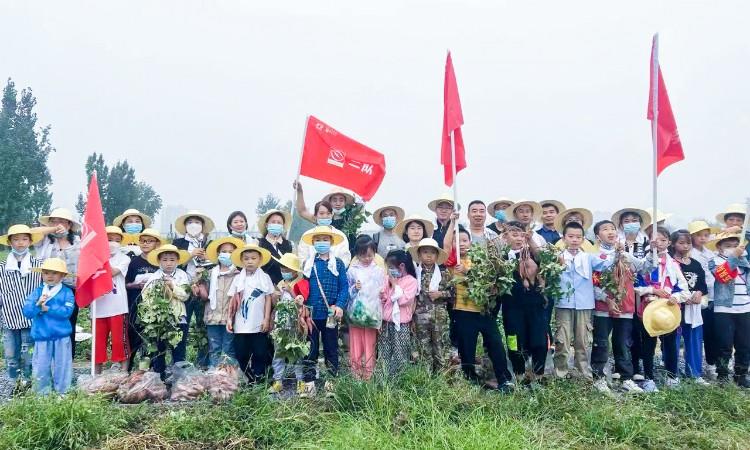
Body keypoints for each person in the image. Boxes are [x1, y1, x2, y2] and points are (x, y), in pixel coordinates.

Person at [448, 226, 513, 391]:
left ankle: (504, 379)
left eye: (464, 240)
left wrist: (469, 272)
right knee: (467, 348)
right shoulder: (451, 262)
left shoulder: (482, 260)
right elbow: (445, 244)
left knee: (496, 344)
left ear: (470, 242)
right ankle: (471, 380)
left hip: (484, 311)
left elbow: (490, 281)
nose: (461, 244)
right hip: (463, 312)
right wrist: (452, 222)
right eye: (458, 241)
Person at [553, 222, 614, 381]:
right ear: (564, 238)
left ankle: (583, 375)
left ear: (583, 239)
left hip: (585, 305)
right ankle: (561, 373)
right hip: (563, 304)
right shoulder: (557, 257)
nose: (574, 240)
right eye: (571, 236)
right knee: (562, 340)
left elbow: (607, 264)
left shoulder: (588, 258)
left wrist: (618, 252)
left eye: (578, 237)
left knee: (583, 341)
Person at [590, 220, 644, 394]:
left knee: (623, 344)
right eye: (605, 229)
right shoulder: (595, 256)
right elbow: (594, 284)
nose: (610, 232)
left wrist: (654, 252)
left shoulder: (626, 255)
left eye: (613, 229)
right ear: (598, 236)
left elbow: (644, 268)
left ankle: (626, 378)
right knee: (601, 343)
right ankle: (599, 378)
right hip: (602, 307)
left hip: (624, 307)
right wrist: (607, 299)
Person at [633, 227, 691, 387]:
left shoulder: (673, 264)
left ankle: (672, 376)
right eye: (655, 240)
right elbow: (635, 285)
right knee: (648, 344)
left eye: (663, 240)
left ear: (669, 242)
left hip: (668, 309)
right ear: (650, 241)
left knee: (671, 344)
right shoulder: (643, 262)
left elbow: (684, 290)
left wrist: (675, 297)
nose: (659, 243)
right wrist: (652, 290)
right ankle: (649, 377)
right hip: (648, 308)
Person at [299, 226, 348, 397]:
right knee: (309, 349)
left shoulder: (339, 264)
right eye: (318, 240)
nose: (322, 243)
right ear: (313, 243)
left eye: (325, 240)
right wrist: (300, 300)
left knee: (331, 348)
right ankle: (308, 384)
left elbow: (344, 287)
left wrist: (339, 305)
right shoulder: (308, 264)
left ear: (331, 242)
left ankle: (330, 383)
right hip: (311, 314)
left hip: (330, 315)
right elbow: (302, 287)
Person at [501, 222, 549, 386]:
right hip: (512, 309)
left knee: (539, 341)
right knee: (514, 341)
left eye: (521, 235)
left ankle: (539, 376)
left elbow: (547, 260)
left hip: (535, 307)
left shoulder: (533, 254)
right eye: (514, 235)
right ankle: (519, 375)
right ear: (505, 237)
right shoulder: (500, 259)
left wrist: (532, 243)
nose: (519, 238)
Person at [32, 208, 81, 359]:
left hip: (70, 290)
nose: (57, 224)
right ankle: (46, 360)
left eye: (62, 221)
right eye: (54, 221)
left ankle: (67, 361)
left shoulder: (78, 242)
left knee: (68, 324)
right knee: (46, 321)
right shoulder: (44, 241)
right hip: (48, 288)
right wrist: (53, 228)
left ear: (70, 225)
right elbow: (31, 232)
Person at [23, 258, 75, 394]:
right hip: (42, 335)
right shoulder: (37, 292)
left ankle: (63, 393)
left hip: (61, 336)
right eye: (46, 273)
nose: (50, 276)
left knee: (62, 366)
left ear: (63, 276)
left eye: (54, 273)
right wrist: (37, 305)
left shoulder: (67, 292)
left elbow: (67, 312)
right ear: (41, 275)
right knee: (41, 366)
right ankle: (41, 394)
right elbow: (27, 312)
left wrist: (48, 309)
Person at [0, 225, 43, 386]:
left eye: (24, 239)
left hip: (30, 319)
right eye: (16, 239)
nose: (20, 243)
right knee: (11, 354)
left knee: (28, 353)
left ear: (30, 241)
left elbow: (45, 290)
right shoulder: (2, 267)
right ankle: (13, 383)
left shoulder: (39, 265)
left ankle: (27, 382)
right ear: (9, 242)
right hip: (9, 318)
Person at [612, 207, 652, 382]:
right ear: (621, 224)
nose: (630, 224)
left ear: (640, 223)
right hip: (621, 291)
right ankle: (620, 366)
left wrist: (629, 258)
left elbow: (648, 267)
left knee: (639, 330)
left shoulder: (647, 242)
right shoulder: (616, 241)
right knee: (622, 330)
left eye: (634, 220)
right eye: (626, 221)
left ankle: (638, 367)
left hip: (642, 292)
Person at [172, 210, 215, 368]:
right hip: (183, 290)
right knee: (181, 326)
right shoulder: (178, 244)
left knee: (203, 327)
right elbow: (172, 263)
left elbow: (216, 265)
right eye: (190, 222)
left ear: (203, 226)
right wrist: (190, 255)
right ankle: (178, 362)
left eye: (197, 222)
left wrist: (207, 259)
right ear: (185, 226)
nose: (194, 225)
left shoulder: (209, 243)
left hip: (203, 291)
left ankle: (203, 362)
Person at [227, 244, 275, 383]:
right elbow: (232, 300)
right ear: (242, 261)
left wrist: (266, 319)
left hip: (258, 322)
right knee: (241, 352)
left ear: (259, 260)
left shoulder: (264, 277)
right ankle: (248, 377)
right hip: (241, 323)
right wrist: (230, 319)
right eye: (246, 258)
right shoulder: (238, 279)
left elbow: (268, 299)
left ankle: (259, 377)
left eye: (253, 258)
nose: (250, 261)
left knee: (260, 351)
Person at [707, 232, 750, 388]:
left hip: (745, 307)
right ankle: (723, 375)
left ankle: (741, 374)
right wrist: (734, 257)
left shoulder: (744, 260)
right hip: (724, 309)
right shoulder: (714, 261)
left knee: (744, 344)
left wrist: (741, 256)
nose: (732, 249)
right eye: (728, 246)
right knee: (724, 345)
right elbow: (721, 276)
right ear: (719, 247)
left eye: (735, 246)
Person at [143, 244, 192, 375]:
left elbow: (185, 295)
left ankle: (179, 379)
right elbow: (145, 296)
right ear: (159, 261)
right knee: (159, 350)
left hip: (178, 318)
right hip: (160, 321)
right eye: (165, 260)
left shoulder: (182, 276)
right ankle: (160, 378)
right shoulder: (154, 277)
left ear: (177, 261)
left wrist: (172, 286)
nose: (168, 263)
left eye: (172, 260)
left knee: (178, 349)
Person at [670, 229, 710, 385]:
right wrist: (681, 297)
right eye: (681, 243)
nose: (685, 246)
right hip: (676, 306)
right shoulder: (670, 263)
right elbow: (668, 283)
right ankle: (672, 373)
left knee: (694, 339)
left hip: (693, 307)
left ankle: (694, 373)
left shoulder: (696, 264)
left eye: (688, 243)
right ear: (673, 244)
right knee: (673, 339)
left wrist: (699, 292)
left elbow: (702, 284)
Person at [408, 238, 452, 373]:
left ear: (437, 255)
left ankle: (442, 376)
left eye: (432, 253)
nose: (428, 255)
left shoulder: (444, 273)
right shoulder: (414, 273)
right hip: (420, 317)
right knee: (423, 346)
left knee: (440, 345)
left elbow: (454, 293)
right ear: (419, 254)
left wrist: (441, 294)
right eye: (425, 252)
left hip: (439, 316)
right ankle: (426, 376)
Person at [92, 227, 131, 373]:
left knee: (119, 341)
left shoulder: (124, 258)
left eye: (117, 240)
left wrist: (101, 258)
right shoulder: (92, 256)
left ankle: (123, 372)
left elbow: (112, 272)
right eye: (109, 239)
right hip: (98, 306)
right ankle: (96, 374)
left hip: (118, 306)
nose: (113, 243)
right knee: (98, 343)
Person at [268, 253, 309, 395]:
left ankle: (300, 381)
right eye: (282, 269)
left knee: (297, 352)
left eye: (287, 270)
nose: (284, 272)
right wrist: (275, 297)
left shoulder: (301, 283)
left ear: (295, 271)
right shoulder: (280, 284)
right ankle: (278, 380)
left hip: (295, 325)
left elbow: (302, 302)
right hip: (281, 324)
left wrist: (291, 292)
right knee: (278, 352)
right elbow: (276, 305)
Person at [346, 235, 385, 380]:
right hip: (356, 312)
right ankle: (356, 373)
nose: (367, 258)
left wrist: (382, 293)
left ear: (374, 253)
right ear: (357, 255)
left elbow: (383, 290)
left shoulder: (379, 270)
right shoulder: (352, 271)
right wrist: (354, 289)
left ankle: (369, 373)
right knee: (356, 343)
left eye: (370, 255)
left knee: (370, 344)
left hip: (372, 313)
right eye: (363, 256)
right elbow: (347, 292)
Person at [200, 237, 243, 367]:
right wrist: (199, 288)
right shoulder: (209, 273)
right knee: (214, 347)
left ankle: (227, 378)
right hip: (212, 316)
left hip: (230, 318)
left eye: (231, 252)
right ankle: (214, 376)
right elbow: (205, 297)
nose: (227, 254)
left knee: (228, 348)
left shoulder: (239, 275)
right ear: (218, 254)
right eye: (224, 251)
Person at [124, 228, 163, 371]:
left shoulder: (160, 262)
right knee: (133, 336)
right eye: (143, 241)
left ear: (157, 244)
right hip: (135, 305)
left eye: (150, 241)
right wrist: (135, 285)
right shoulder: (133, 262)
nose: (145, 244)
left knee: (151, 339)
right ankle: (128, 369)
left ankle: (148, 370)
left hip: (155, 308)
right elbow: (125, 284)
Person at [379, 249, 418, 377]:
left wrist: (395, 285)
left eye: (391, 267)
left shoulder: (411, 281)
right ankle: (384, 380)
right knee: (385, 351)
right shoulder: (387, 279)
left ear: (401, 266)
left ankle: (399, 380)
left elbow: (403, 301)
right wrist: (383, 292)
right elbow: (384, 298)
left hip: (401, 325)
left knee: (400, 353)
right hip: (386, 322)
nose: (389, 271)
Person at [689, 220, 719, 380]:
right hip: (696, 297)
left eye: (705, 235)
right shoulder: (690, 253)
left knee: (710, 332)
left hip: (712, 296)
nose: (702, 238)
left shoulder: (710, 253)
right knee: (695, 333)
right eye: (699, 235)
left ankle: (711, 364)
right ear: (692, 237)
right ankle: (694, 366)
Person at [294, 181, 362, 250]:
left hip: (348, 254)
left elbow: (361, 204)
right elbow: (302, 211)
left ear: (345, 202)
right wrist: (300, 191)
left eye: (341, 200)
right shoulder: (323, 218)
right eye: (334, 200)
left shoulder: (352, 217)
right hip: (326, 254)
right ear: (330, 202)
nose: (338, 203)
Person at [297, 200, 351, 266]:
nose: (325, 216)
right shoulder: (306, 235)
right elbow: (302, 258)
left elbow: (345, 259)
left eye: (328, 213)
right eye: (321, 213)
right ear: (315, 216)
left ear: (332, 215)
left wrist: (334, 270)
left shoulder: (341, 235)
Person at [257, 209, 295, 285]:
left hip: (285, 289)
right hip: (263, 286)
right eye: (273, 222)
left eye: (279, 223)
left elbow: (294, 268)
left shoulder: (290, 245)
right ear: (267, 225)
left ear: (283, 226)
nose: (276, 224)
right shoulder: (258, 244)